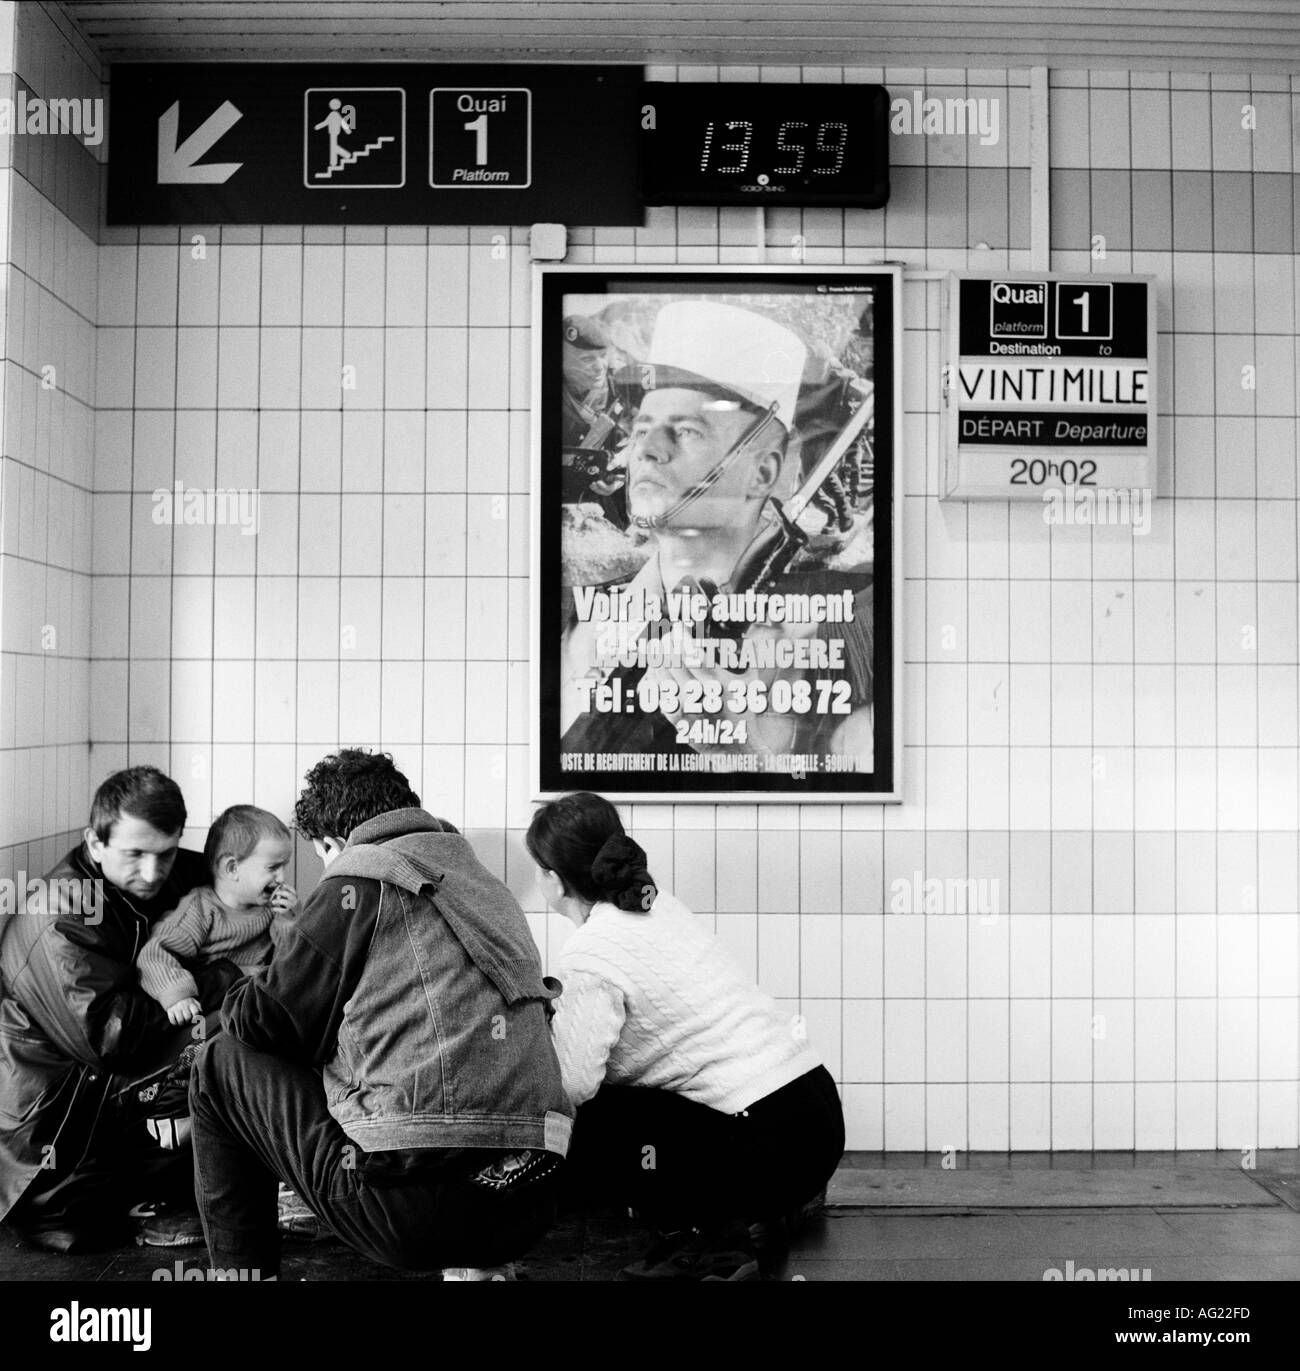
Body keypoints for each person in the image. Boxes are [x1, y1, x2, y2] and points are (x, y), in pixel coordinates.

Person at [188, 749, 574, 1282]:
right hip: (531, 1200)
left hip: (414, 1220)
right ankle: (477, 1273)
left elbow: (262, 1022)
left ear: (332, 843)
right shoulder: (482, 881)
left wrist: (232, 981)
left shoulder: (357, 879)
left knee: (218, 1064)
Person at [527, 790, 845, 1281]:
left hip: (771, 1141)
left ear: (552, 877)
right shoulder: (657, 908)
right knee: (644, 1106)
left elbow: (572, 1085)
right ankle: (755, 1211)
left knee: (585, 1121)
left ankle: (708, 1241)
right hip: (816, 1116)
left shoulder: (589, 953)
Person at [559, 299, 875, 769]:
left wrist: (738, 753)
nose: (649, 450)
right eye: (643, 427)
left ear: (763, 471)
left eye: (686, 431)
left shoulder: (834, 641)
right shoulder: (580, 616)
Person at [0, 766, 241, 1252]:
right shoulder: (61, 913)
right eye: (134, 854)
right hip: (54, 1144)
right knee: (232, 1023)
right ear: (95, 842)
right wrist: (224, 978)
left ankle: (218, 1183)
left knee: (263, 1011)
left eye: (166, 853)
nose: (152, 874)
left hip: (97, 1096)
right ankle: (162, 1196)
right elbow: (114, 1040)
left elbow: (241, 894)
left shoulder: (170, 876)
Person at [138, 805, 296, 1027]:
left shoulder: (272, 909)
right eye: (273, 868)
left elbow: (293, 959)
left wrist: (287, 919)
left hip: (258, 1001)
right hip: (215, 1010)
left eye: (284, 867)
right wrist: (178, 995)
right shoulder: (200, 909)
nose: (282, 877)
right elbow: (154, 955)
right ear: (232, 868)